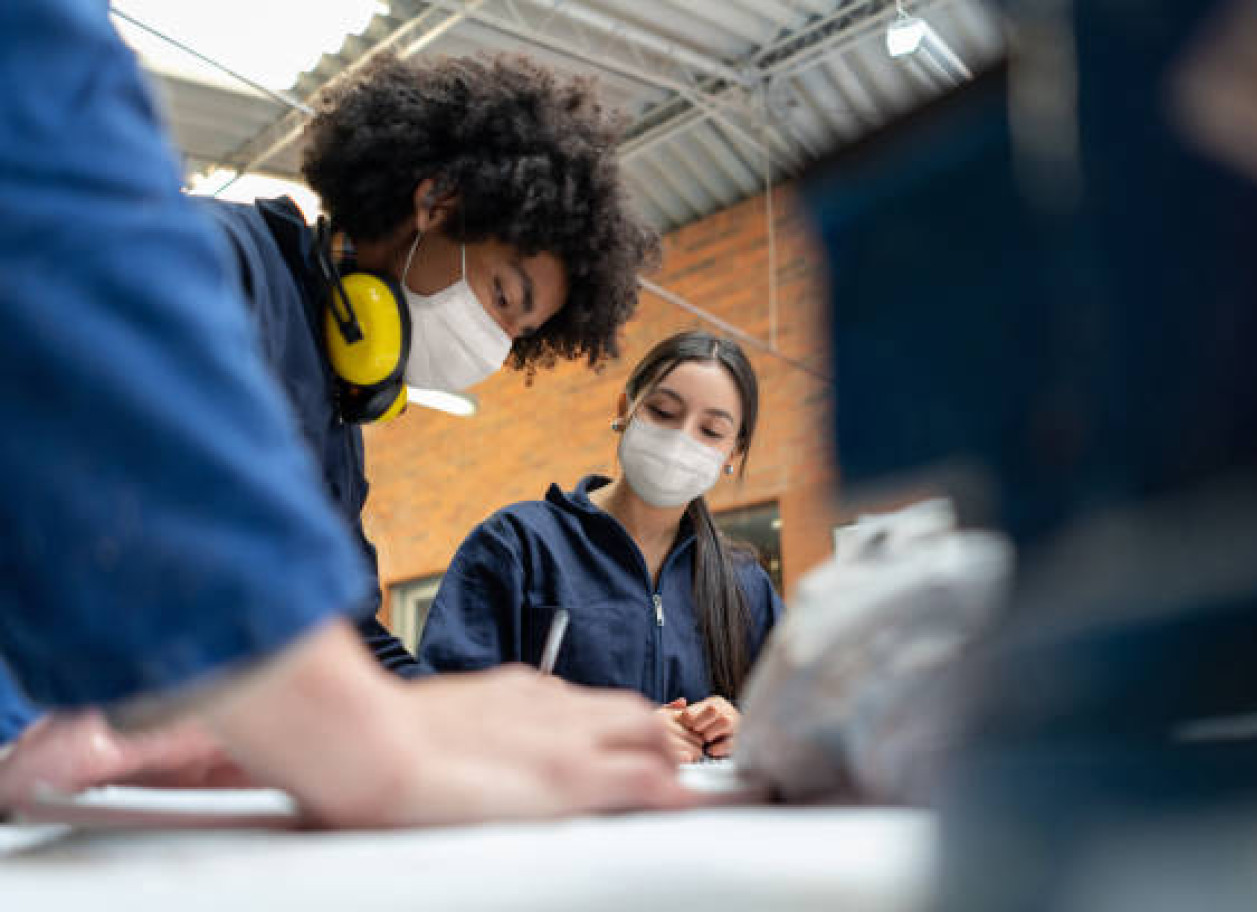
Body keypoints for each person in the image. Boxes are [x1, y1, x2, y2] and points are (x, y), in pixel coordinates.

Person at [0, 0, 686, 825]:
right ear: (437, 201)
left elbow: (347, 630)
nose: (494, 347)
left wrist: (464, 718)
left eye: (518, 334)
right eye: (504, 295)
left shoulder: (339, 421)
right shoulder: (218, 261)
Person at [419, 331, 784, 762]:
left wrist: (746, 728)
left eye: (711, 430)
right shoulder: (518, 546)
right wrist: (607, 732)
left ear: (733, 455)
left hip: (698, 824)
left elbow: (803, 721)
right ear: (624, 409)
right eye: (663, 411)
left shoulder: (746, 587)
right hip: (552, 823)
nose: (681, 439)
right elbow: (444, 709)